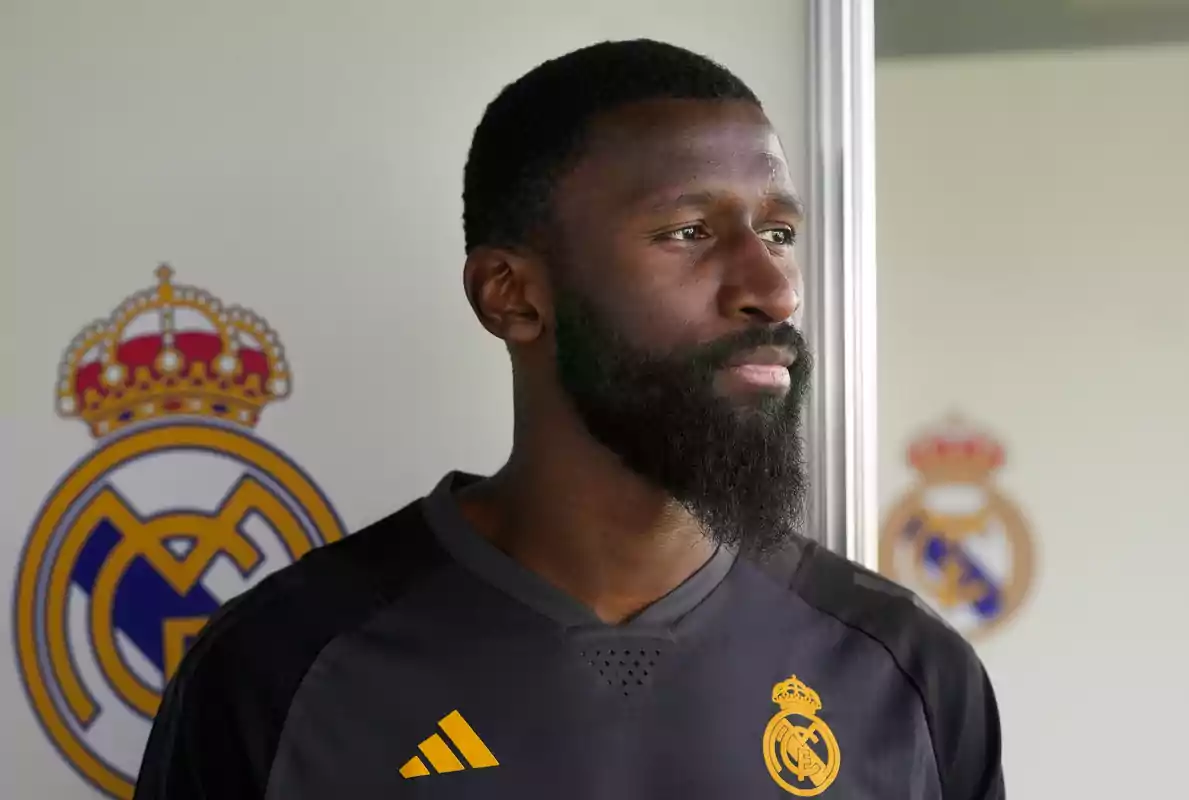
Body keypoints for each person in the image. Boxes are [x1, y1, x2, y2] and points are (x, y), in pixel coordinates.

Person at [134, 39, 1004, 799]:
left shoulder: (906, 673)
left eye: (777, 233)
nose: (774, 290)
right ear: (511, 297)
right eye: (690, 231)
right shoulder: (277, 670)